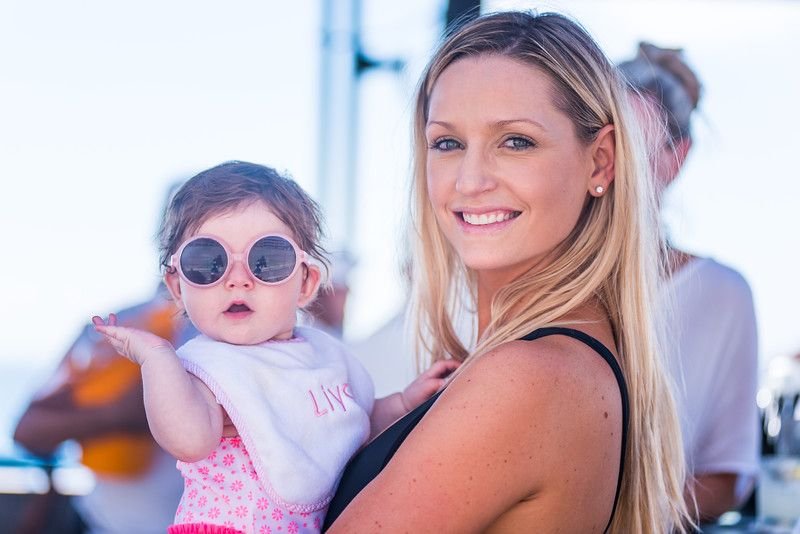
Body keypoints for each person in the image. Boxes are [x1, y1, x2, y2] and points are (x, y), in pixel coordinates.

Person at [323, 11, 692, 533]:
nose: (470, 181)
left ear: (600, 162)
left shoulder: (528, 376)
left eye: (515, 141)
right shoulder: (556, 358)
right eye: (447, 143)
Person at [91, 161, 457, 534]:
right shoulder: (207, 367)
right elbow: (189, 440)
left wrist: (406, 403)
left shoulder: (320, 356)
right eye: (207, 262)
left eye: (267, 261)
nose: (238, 280)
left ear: (305, 283)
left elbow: (349, 422)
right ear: (176, 286)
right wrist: (157, 359)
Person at [619, 43, 760, 522]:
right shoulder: (526, 282)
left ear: (676, 159)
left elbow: (730, 474)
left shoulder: (721, 296)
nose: (607, 165)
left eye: (631, 145)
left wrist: (615, 518)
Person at [13, 284, 192, 534]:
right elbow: (28, 430)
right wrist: (118, 413)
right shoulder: (106, 329)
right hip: (103, 525)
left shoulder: (222, 330)